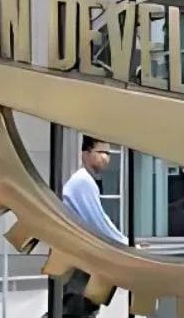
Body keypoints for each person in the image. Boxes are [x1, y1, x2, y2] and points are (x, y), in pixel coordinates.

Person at [58, 135, 129, 317]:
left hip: (82, 259)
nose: (106, 158)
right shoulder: (82, 181)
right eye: (101, 152)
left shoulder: (86, 181)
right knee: (76, 309)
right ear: (85, 153)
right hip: (81, 261)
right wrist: (125, 244)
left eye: (108, 153)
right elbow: (98, 221)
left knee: (77, 309)